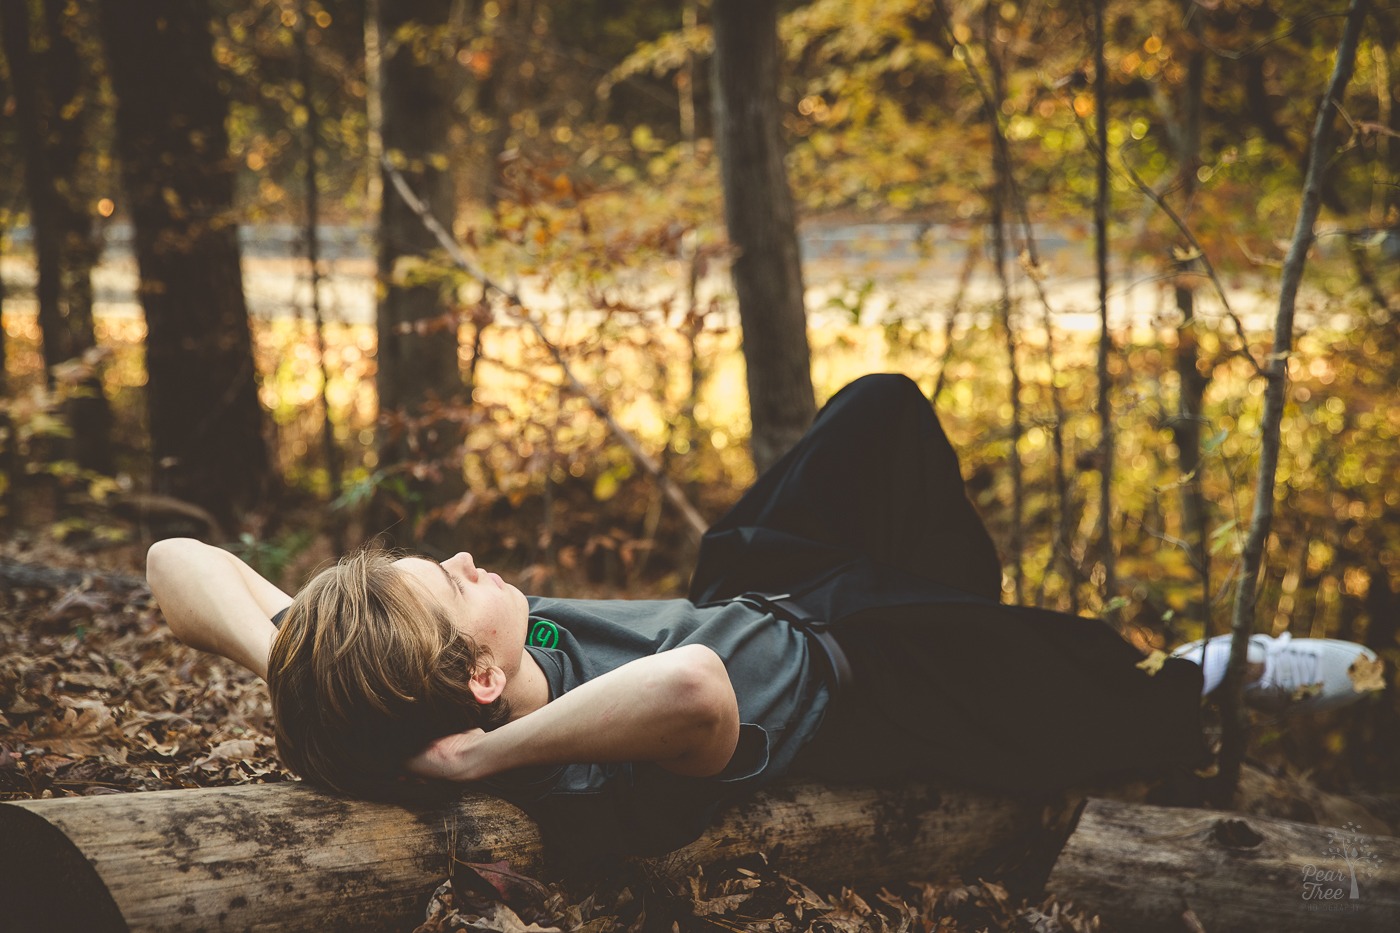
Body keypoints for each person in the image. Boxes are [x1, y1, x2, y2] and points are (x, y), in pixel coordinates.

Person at [146, 374, 1380, 853]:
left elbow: (171, 560)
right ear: (474, 684)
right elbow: (691, 689)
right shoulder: (589, 771)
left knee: (883, 409)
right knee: (1098, 682)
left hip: (759, 583)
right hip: (870, 666)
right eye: (453, 581)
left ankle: (979, 611)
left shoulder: (391, 670)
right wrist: (486, 757)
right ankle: (1210, 674)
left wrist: (291, 654)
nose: (467, 557)